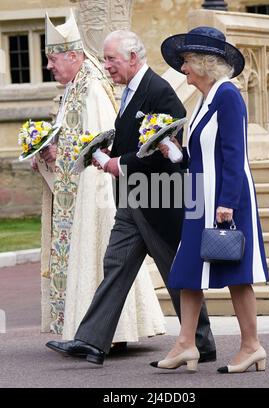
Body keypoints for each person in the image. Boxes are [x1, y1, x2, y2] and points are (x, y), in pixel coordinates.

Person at [45, 30, 216, 365]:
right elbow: (137, 141)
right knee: (116, 266)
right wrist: (110, 151)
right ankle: (92, 341)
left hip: (159, 200)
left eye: (112, 59)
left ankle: (202, 342)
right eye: (106, 59)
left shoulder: (160, 91)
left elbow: (167, 149)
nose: (106, 65)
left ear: (134, 57)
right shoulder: (129, 91)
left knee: (174, 273)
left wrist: (118, 163)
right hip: (133, 200)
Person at [38, 12, 166, 345]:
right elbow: (77, 138)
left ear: (73, 56)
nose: (49, 66)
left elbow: (101, 143)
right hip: (93, 190)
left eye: (53, 59)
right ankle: (92, 338)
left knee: (128, 264)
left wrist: (60, 154)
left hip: (100, 195)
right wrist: (47, 150)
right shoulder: (72, 89)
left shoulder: (92, 88)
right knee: (117, 267)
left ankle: (193, 339)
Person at [150, 26, 269, 373]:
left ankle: (251, 346)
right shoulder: (204, 101)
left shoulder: (228, 95)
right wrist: (172, 150)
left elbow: (234, 155)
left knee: (236, 272)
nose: (182, 68)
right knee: (187, 270)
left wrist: (227, 202)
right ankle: (186, 344)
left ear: (204, 63)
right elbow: (199, 156)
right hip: (198, 199)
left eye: (186, 61)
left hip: (224, 199)